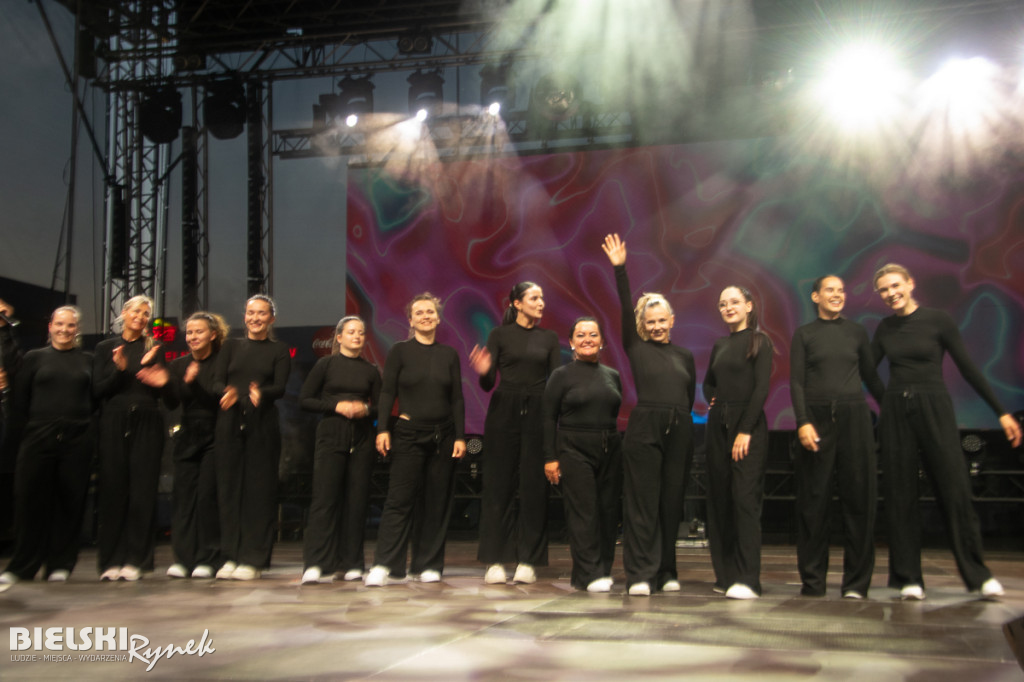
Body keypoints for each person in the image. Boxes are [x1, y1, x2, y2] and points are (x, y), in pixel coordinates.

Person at [871, 264, 1021, 600]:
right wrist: (888, 400)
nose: (891, 293)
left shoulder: (938, 320)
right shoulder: (885, 328)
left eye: (896, 285)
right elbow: (867, 367)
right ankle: (908, 577)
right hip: (898, 413)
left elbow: (968, 368)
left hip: (934, 406)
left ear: (911, 283)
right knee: (900, 494)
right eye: (883, 289)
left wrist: (1001, 412)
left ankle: (978, 575)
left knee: (955, 489)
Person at [601, 234, 696, 596]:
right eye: (650, 320)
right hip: (644, 430)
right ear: (643, 323)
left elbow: (688, 397)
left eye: (661, 320)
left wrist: (681, 423)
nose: (656, 325)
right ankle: (641, 574)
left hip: (680, 429)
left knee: (671, 503)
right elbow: (625, 307)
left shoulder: (685, 356)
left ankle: (667, 570)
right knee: (642, 503)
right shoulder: (636, 347)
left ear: (672, 320)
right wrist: (620, 268)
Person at [790, 275, 885, 599]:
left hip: (854, 419)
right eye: (830, 290)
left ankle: (856, 584)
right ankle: (813, 582)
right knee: (814, 504)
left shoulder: (856, 332)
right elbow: (798, 382)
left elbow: (871, 377)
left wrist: (892, 409)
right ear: (816, 296)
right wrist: (803, 421)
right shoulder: (804, 334)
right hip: (816, 421)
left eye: (842, 290)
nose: (837, 294)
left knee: (859, 501)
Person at [365, 293, 466, 586]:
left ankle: (428, 565)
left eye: (430, 312)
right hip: (408, 434)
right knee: (399, 500)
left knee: (436, 503)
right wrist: (383, 428)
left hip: (443, 436)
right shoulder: (400, 351)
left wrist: (460, 435)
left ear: (438, 317)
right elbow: (387, 393)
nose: (425, 316)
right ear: (410, 320)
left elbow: (457, 398)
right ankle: (386, 565)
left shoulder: (449, 354)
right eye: (419, 312)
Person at [470, 282, 560, 585]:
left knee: (534, 487)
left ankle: (528, 560)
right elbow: (487, 384)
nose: (541, 302)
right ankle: (494, 560)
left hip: (537, 411)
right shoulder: (499, 334)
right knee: (498, 485)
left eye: (542, 297)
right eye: (535, 297)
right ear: (517, 304)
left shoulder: (548, 338)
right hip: (504, 411)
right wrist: (484, 371)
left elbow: (554, 382)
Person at [0, 307, 93, 586]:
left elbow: (96, 399)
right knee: (29, 501)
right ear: (50, 326)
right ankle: (23, 566)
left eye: (71, 325)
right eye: (60, 324)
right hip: (38, 436)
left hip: (77, 438)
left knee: (69, 502)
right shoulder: (34, 358)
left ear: (77, 329)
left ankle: (60, 564)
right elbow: (19, 401)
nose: (65, 329)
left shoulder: (88, 360)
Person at [139, 312, 229, 580]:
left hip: (215, 435)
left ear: (212, 334)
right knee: (184, 499)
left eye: (198, 332)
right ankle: (183, 558)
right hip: (188, 436)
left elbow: (217, 399)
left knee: (206, 498)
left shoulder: (222, 362)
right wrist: (166, 385)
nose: (192, 337)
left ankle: (208, 558)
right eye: (189, 333)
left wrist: (194, 384)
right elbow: (172, 403)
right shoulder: (178, 365)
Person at [212, 295, 291, 580]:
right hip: (230, 420)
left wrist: (262, 393)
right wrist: (227, 392)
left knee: (258, 492)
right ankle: (230, 556)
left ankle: (253, 559)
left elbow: (280, 387)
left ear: (272, 318)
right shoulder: (231, 346)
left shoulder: (278, 349)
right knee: (230, 489)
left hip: (262, 422)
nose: (255, 318)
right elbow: (218, 380)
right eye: (250, 313)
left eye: (262, 313)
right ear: (244, 316)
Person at [542, 317, 622, 592]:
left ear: (602, 341)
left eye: (593, 334)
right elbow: (548, 418)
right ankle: (589, 573)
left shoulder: (612, 375)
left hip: (610, 448)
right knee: (583, 512)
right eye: (580, 334)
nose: (587, 338)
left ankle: (599, 570)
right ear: (572, 342)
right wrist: (550, 457)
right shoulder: (561, 376)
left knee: (608, 511)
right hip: (573, 448)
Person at [703, 285, 773, 600]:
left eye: (733, 302)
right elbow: (708, 383)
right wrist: (712, 400)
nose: (728, 307)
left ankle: (748, 579)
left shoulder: (761, 341)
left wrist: (745, 429)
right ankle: (726, 575)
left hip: (748, 427)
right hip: (718, 425)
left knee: (745, 501)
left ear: (748, 305)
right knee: (720, 501)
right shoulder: (720, 344)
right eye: (722, 304)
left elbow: (761, 388)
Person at [299, 316, 381, 584]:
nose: (356, 336)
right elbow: (305, 399)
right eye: (351, 332)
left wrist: (366, 409)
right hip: (331, 433)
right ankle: (316, 563)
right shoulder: (326, 364)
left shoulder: (370, 370)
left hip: (362, 437)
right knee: (325, 499)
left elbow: (381, 406)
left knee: (356, 501)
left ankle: (352, 562)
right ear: (339, 337)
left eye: (361, 332)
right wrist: (335, 407)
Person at [93, 295, 165, 581]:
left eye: (146, 313)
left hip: (147, 421)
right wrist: (118, 369)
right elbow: (99, 391)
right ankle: (110, 560)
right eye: (136, 311)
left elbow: (161, 394)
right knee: (112, 491)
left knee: (142, 493)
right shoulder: (104, 348)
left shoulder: (154, 347)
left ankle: (137, 560)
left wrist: (158, 377)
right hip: (114, 420)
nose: (141, 316)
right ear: (123, 313)